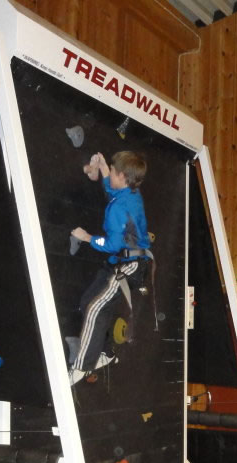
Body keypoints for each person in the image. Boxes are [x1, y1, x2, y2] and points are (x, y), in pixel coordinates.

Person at [68, 150, 152, 385]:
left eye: (113, 171)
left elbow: (113, 244)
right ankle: (106, 353)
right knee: (89, 301)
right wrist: (104, 168)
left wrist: (87, 237)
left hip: (131, 267)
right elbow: (113, 189)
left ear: (122, 175)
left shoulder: (119, 208)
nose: (110, 174)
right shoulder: (131, 192)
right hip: (122, 261)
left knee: (95, 308)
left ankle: (81, 368)